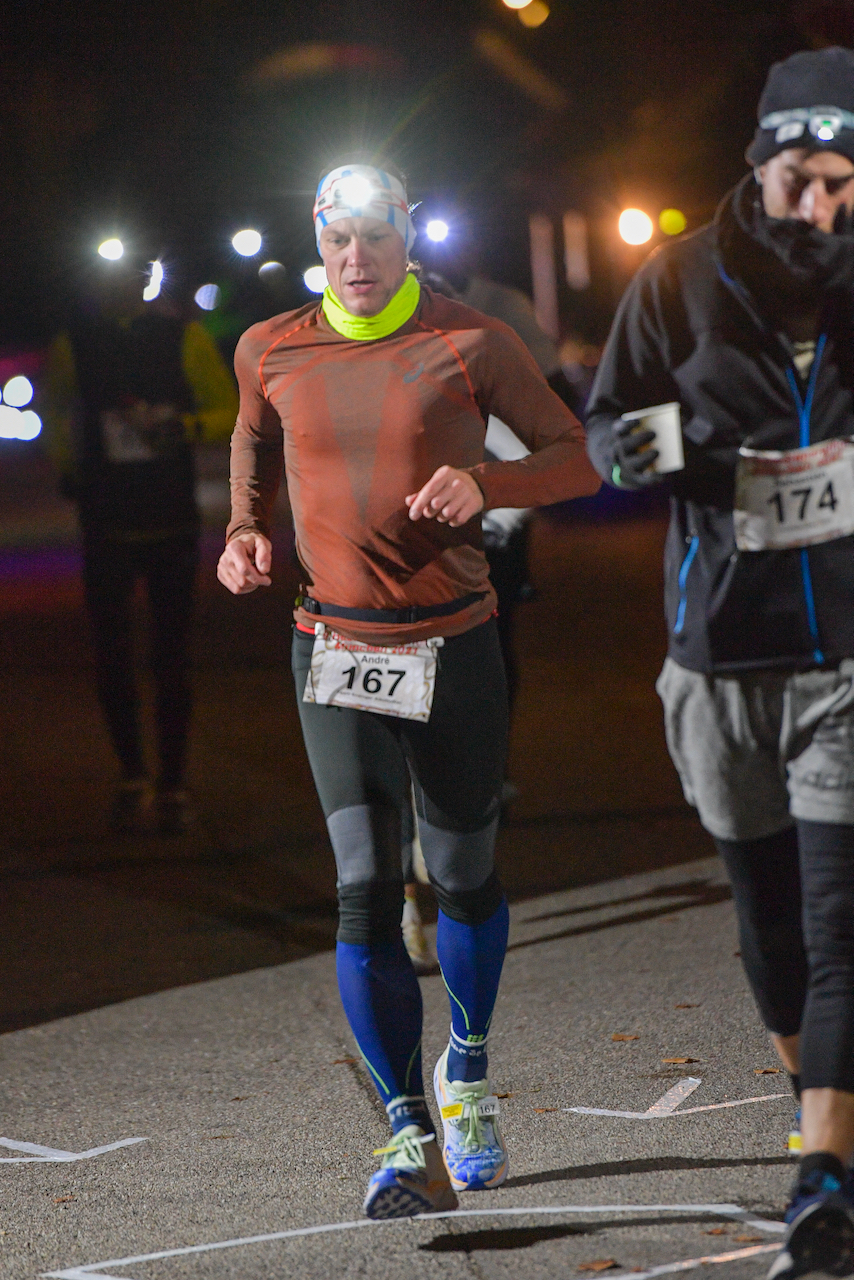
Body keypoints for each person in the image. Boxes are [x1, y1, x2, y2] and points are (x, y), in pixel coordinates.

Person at [217, 157, 599, 1219]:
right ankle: (403, 1128)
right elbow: (251, 436)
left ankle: (465, 1071)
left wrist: (487, 482)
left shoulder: (470, 339)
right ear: (318, 232)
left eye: (376, 235)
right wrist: (246, 530)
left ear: (407, 234)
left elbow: (578, 457)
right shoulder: (270, 346)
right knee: (359, 881)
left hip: (453, 644)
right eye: (339, 236)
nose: (356, 255)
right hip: (330, 649)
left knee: (465, 874)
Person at [585, 46, 854, 1280]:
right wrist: (658, 455)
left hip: (843, 654)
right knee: (767, 924)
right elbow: (605, 422)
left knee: (838, 913)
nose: (823, 208)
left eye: (846, 183)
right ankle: (824, 1124)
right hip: (716, 653)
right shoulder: (678, 279)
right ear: (758, 165)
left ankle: (824, 1171)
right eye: (803, 177)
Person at [44, 254, 238, 833]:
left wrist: (187, 428)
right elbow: (55, 410)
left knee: (171, 655)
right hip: (105, 517)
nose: (123, 288)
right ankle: (133, 774)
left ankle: (173, 783)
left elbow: (227, 407)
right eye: (110, 279)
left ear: (146, 282)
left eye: (133, 277)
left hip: (170, 516)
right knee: (112, 655)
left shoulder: (184, 336)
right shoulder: (72, 342)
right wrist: (68, 467)